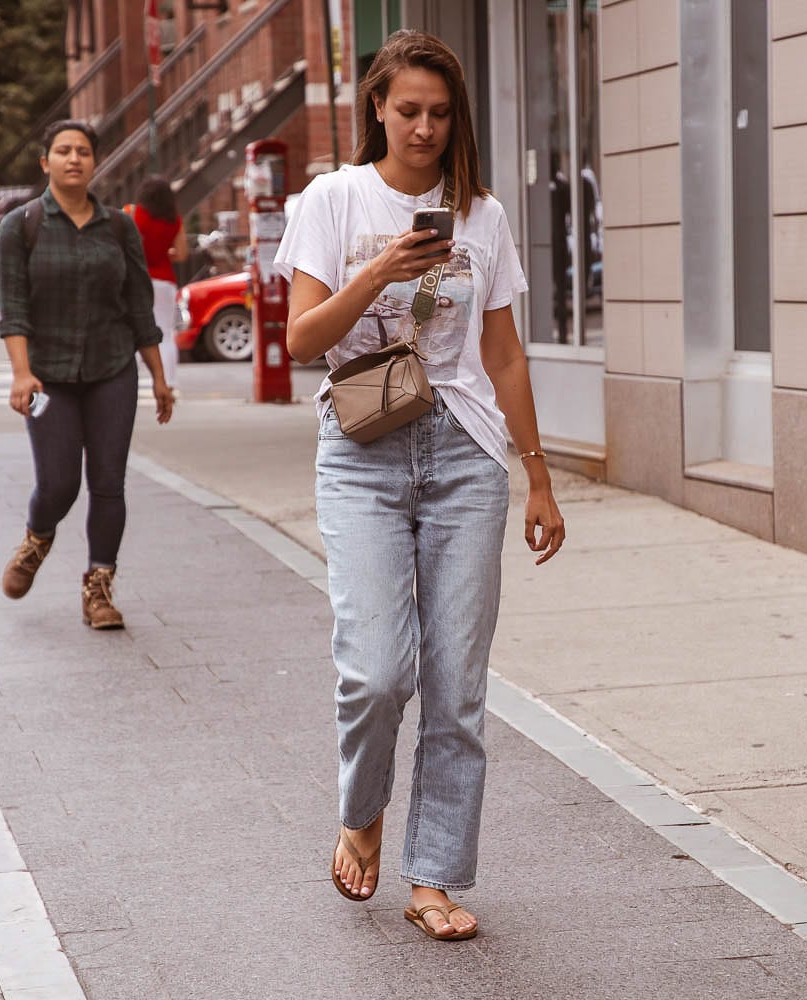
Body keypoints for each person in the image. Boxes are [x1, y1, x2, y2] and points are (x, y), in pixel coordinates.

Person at [277, 30, 565, 941]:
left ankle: (434, 875)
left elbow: (503, 352)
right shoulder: (334, 199)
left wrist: (539, 477)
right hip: (362, 448)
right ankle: (362, 811)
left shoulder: (480, 214)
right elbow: (300, 342)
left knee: (456, 682)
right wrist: (379, 272)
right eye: (409, 111)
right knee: (375, 670)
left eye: (441, 114)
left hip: (465, 450)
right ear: (377, 108)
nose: (426, 128)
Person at [0, 119, 174, 629]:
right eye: (63, 151)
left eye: (83, 152)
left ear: (95, 164)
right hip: (47, 375)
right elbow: (13, 307)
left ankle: (99, 587)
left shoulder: (120, 226)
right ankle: (36, 539)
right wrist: (21, 373)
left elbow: (140, 307)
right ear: (44, 161)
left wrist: (158, 377)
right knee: (58, 483)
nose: (74, 159)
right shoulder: (20, 225)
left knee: (108, 482)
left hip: (112, 366)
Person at [126, 175, 188, 388]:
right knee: (166, 334)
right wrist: (164, 254)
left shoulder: (135, 214)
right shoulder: (175, 220)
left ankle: (128, 381)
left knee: (133, 332)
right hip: (165, 281)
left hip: (139, 279)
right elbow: (181, 253)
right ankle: (168, 382)